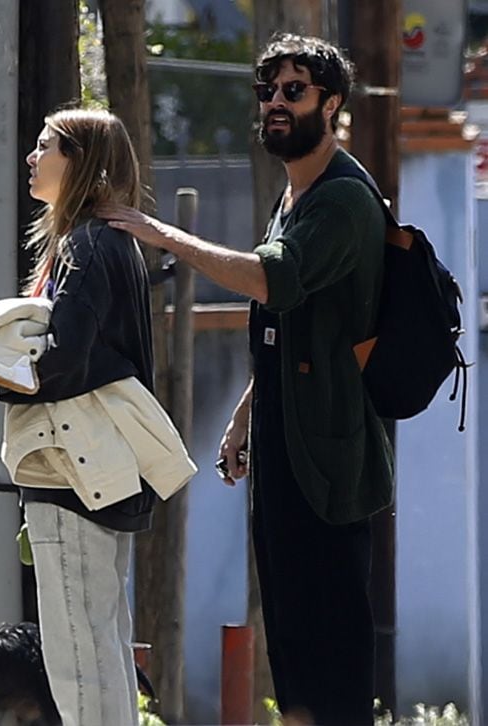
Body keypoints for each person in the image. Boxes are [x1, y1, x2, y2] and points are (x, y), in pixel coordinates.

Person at [100, 33, 394, 726]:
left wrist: (162, 235)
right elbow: (288, 322)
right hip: (284, 449)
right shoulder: (297, 197)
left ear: (333, 103)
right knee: (290, 638)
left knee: (332, 649)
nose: (275, 105)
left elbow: (272, 279)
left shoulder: (343, 201)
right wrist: (242, 418)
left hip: (332, 459)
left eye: (294, 92)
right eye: (267, 93)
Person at [0, 108, 195, 726]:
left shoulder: (83, 243)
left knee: (77, 656)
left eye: (45, 146)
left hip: (70, 472)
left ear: (79, 162)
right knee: (103, 646)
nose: (32, 157)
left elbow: (64, 359)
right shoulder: (112, 242)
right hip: (103, 469)